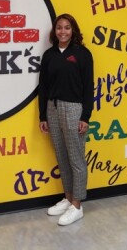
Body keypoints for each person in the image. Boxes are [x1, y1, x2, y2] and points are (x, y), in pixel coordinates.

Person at [38, 13, 94, 226]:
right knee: (62, 157)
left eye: (67, 28)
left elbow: (89, 88)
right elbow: (43, 87)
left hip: (73, 109)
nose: (63, 31)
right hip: (52, 108)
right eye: (59, 27)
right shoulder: (49, 55)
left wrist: (85, 116)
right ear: (55, 31)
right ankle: (68, 197)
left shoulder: (82, 54)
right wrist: (43, 115)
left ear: (73, 30)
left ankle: (77, 206)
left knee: (76, 159)